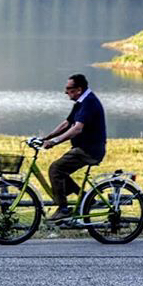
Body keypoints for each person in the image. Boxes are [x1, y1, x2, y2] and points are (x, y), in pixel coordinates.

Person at [39, 74, 106, 221]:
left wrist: (55, 141)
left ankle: (63, 209)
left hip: (89, 150)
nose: (65, 92)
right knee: (61, 170)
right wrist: (47, 138)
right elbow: (67, 123)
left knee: (55, 169)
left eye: (69, 89)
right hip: (84, 148)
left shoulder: (89, 102)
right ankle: (86, 199)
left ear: (79, 89)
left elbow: (77, 129)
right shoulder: (81, 102)